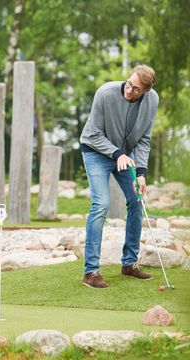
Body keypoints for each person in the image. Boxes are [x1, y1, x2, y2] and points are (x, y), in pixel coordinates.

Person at [79, 65, 159, 288]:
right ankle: (91, 272)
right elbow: (93, 133)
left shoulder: (152, 101)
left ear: (146, 92)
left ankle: (129, 263)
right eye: (129, 84)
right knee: (101, 203)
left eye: (135, 90)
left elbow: (144, 138)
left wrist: (141, 173)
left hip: (126, 155)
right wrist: (117, 154)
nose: (129, 90)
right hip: (96, 151)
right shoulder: (105, 93)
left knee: (136, 199)